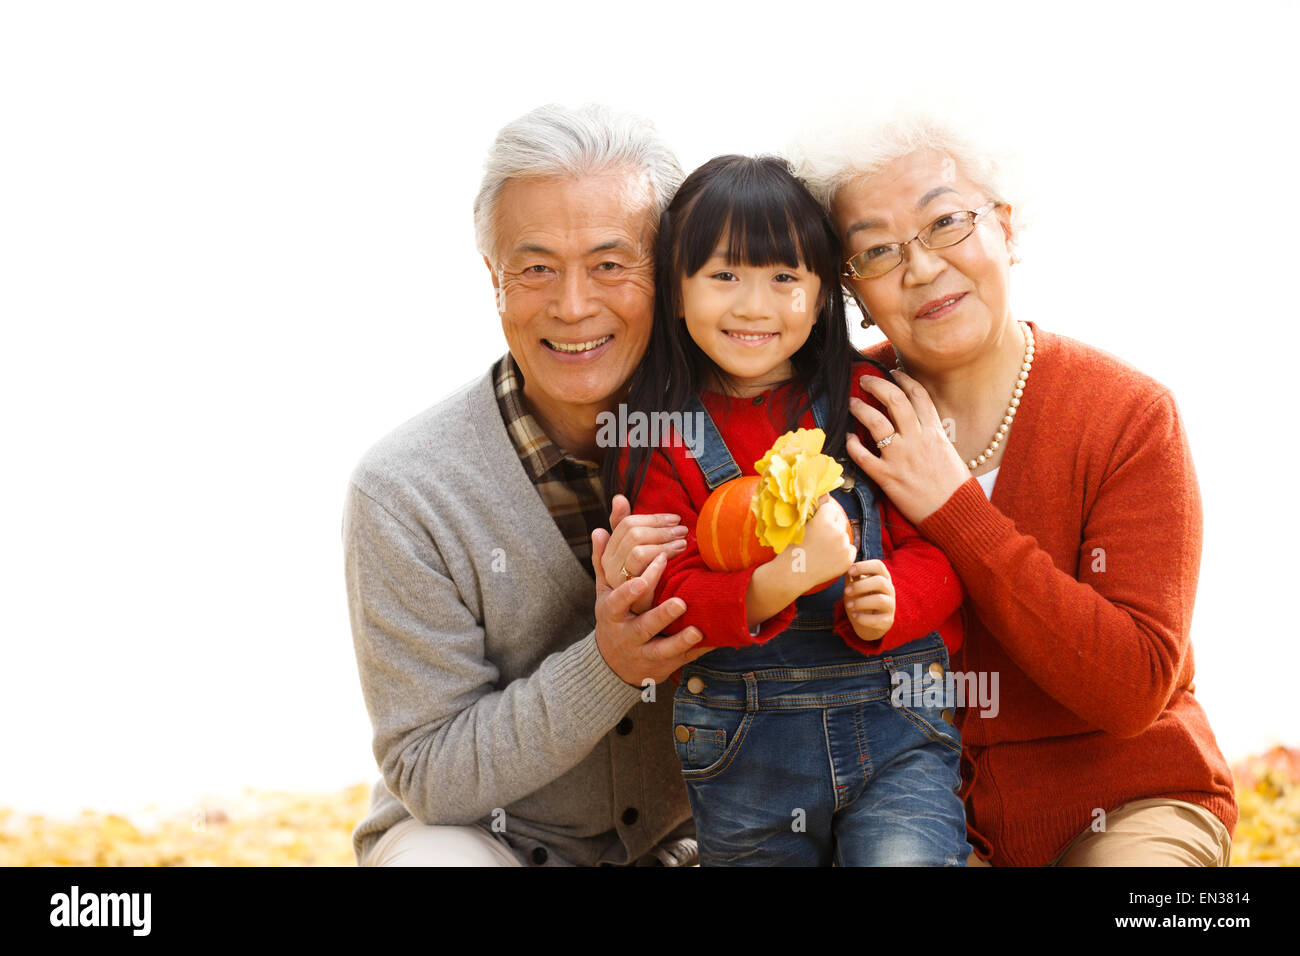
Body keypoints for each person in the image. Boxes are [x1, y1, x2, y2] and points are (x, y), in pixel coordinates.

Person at [791, 110, 1237, 865]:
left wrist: (954, 511)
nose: (923, 268)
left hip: (1132, 801)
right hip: (916, 817)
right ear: (852, 289)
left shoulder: (1128, 415)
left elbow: (1132, 690)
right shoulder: (833, 420)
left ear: (1005, 226)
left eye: (946, 223)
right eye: (877, 251)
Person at [343, 103, 710, 867]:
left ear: (671, 270)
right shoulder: (405, 490)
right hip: (488, 841)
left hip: (701, 840)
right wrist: (611, 664)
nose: (572, 305)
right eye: (535, 266)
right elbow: (431, 774)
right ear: (494, 280)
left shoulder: (740, 437)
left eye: (612, 264)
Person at [605, 154, 970, 866]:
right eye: (723, 276)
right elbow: (669, 593)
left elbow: (943, 543)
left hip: (896, 730)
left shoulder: (870, 399)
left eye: (783, 278)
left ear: (822, 294)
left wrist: (895, 597)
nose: (753, 305)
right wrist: (787, 575)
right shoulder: (657, 431)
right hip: (746, 755)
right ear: (675, 292)